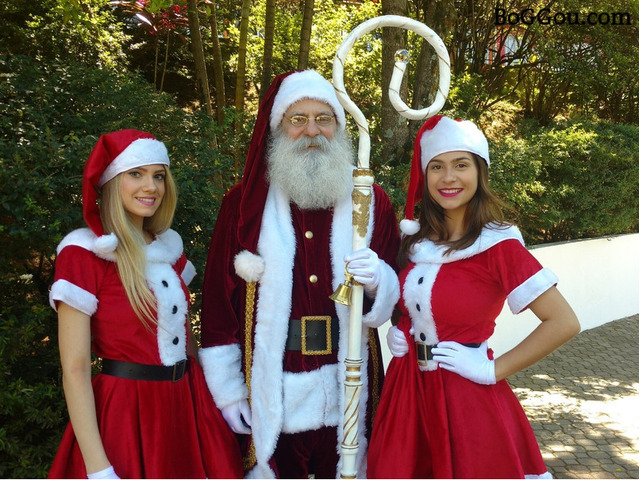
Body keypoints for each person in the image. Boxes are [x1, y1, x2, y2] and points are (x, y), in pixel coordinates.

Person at [198, 70, 400, 479]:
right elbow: (219, 302)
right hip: (272, 382)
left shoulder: (370, 200)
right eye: (298, 119)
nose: (312, 130)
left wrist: (380, 279)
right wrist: (228, 390)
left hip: (350, 379)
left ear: (339, 128)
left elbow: (396, 292)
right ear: (278, 129)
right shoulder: (243, 205)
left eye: (323, 118)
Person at [367, 115, 581, 479]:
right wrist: (401, 330)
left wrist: (492, 369)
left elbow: (564, 322)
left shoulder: (498, 245)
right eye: (437, 167)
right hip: (407, 392)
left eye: (460, 165)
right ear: (426, 175)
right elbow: (416, 307)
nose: (448, 178)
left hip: (465, 395)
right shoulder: (415, 244)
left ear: (480, 173)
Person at [48, 129, 243, 479]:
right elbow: (75, 368)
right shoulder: (84, 254)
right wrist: (97, 466)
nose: (150, 187)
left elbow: (186, 338)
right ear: (111, 182)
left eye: (158, 176)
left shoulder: (168, 250)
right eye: (135, 174)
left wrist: (219, 400)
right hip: (126, 412)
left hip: (188, 403)